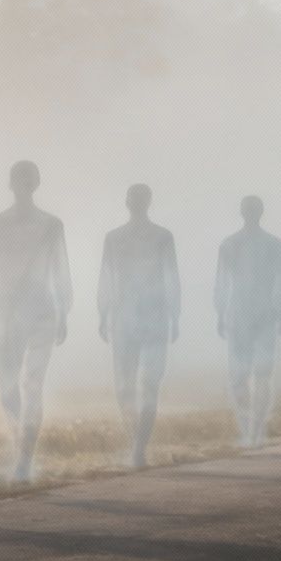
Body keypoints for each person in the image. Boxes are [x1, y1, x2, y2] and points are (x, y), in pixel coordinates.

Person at [0, 160, 72, 482]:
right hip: (4, 312)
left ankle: (24, 460)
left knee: (32, 382)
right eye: (18, 178)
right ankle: (20, 442)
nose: (23, 184)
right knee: (7, 390)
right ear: (11, 183)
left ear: (36, 183)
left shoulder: (51, 225)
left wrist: (64, 311)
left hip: (42, 311)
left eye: (28, 178)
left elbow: (61, 269)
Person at [98, 184, 181, 469]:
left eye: (140, 197)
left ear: (148, 201)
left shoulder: (162, 237)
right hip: (123, 318)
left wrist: (175, 314)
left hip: (154, 317)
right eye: (132, 197)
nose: (136, 201)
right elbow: (105, 277)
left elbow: (172, 276)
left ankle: (138, 447)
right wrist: (102, 312)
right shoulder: (113, 238)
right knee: (124, 387)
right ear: (127, 201)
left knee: (149, 383)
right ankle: (136, 442)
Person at [215, 195, 281, 449]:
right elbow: (222, 282)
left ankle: (255, 430)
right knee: (238, 377)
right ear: (242, 211)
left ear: (259, 212)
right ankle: (248, 428)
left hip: (263, 314)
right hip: (239, 314)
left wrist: (279, 311)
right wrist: (220, 312)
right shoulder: (229, 244)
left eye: (252, 208)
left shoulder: (274, 245)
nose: (249, 212)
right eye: (247, 208)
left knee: (262, 374)